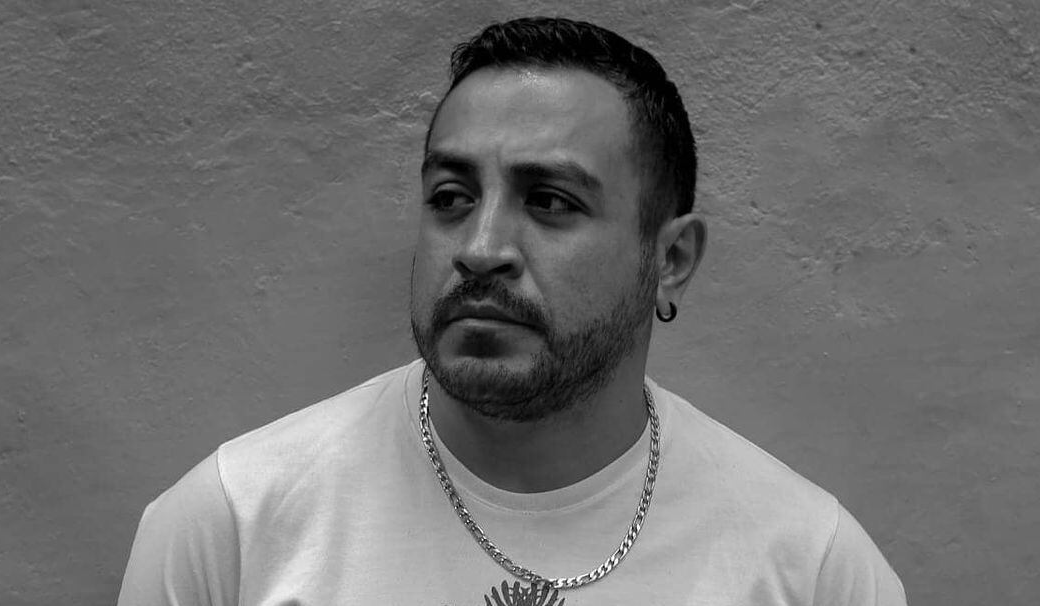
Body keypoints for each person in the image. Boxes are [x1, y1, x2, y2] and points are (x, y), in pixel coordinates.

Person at [118, 17, 906, 605]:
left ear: (670, 260)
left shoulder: (811, 569)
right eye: (450, 198)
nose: (481, 247)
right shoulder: (230, 528)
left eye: (550, 201)